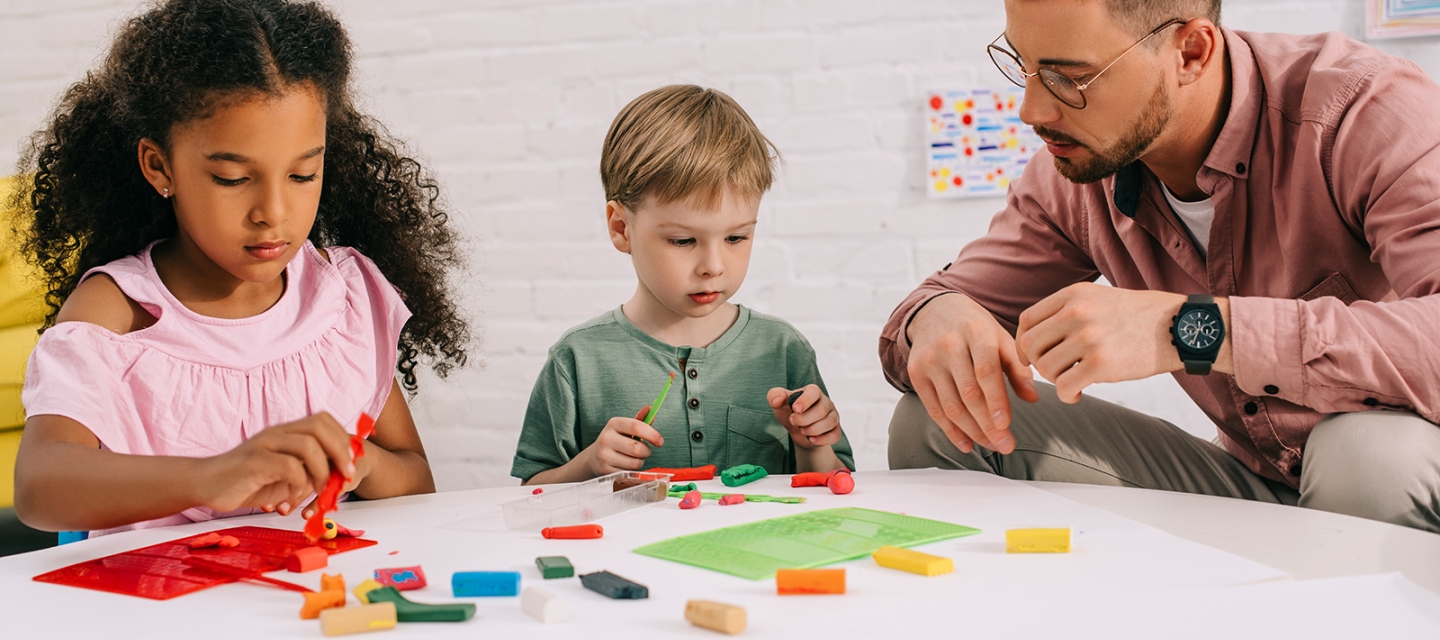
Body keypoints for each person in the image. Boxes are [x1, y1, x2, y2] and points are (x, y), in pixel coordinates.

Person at [882, 0, 1440, 532]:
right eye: (1022, 66)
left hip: (1394, 477)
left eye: (1070, 78)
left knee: (1364, 455)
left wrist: (1188, 329)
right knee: (936, 425)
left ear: (1190, 53)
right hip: (1255, 484)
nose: (1032, 110)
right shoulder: (1078, 172)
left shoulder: (1364, 110)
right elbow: (935, 311)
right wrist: (934, 317)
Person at [11, 0, 472, 536]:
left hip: (302, 605)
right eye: (232, 178)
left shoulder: (339, 298)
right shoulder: (122, 312)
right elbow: (39, 487)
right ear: (160, 166)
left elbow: (418, 482)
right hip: (159, 610)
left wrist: (360, 461)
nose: (273, 214)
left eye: (303, 175)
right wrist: (211, 477)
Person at [512, 85, 855, 484]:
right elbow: (531, 493)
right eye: (682, 241)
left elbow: (837, 483)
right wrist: (589, 465)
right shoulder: (578, 359)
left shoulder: (782, 349)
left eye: (736, 238)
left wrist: (811, 444)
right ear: (621, 228)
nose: (713, 266)